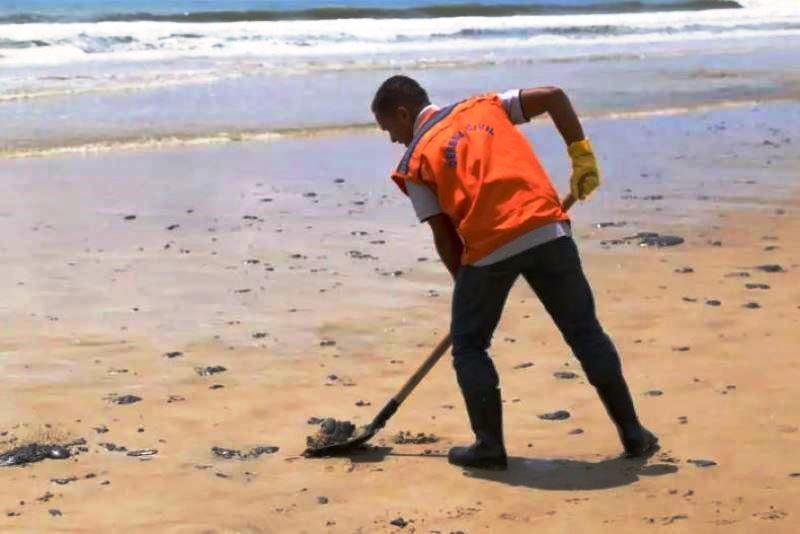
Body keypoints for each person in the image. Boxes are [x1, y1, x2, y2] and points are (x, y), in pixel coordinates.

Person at [371, 75, 658, 470]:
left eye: (390, 129)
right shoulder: (486, 105)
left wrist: (467, 290)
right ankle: (633, 433)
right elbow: (554, 96)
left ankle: (489, 446)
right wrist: (581, 154)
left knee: (469, 344)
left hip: (488, 247)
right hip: (547, 227)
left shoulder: (414, 162)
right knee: (585, 332)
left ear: (404, 113)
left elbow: (444, 235)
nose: (392, 140)